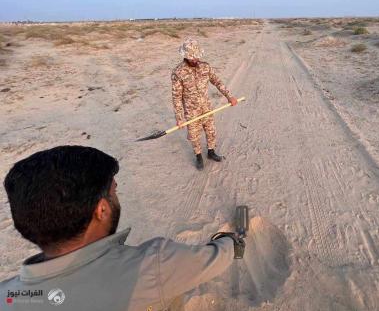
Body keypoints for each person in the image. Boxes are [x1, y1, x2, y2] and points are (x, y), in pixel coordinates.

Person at [0, 146, 244, 311]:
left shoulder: (7, 295)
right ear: (102, 210)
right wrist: (231, 241)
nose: (117, 196)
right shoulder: (153, 264)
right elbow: (216, 258)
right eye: (114, 191)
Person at [171, 38, 238, 170]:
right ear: (185, 56)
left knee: (211, 132)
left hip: (207, 108)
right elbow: (176, 97)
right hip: (191, 112)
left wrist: (230, 97)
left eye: (196, 56)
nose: (195, 59)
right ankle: (198, 156)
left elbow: (217, 82)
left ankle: (211, 152)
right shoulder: (178, 72)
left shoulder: (205, 67)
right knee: (194, 136)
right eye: (192, 57)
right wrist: (179, 118)